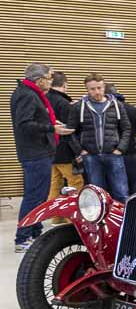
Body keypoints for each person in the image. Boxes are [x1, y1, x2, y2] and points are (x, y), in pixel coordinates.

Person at [11, 63, 73, 252]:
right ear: (39, 80)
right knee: (33, 196)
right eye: (49, 77)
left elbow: (33, 120)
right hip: (35, 153)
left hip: (40, 151)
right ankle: (22, 238)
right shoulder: (27, 95)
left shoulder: (29, 93)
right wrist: (51, 128)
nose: (51, 81)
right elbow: (25, 125)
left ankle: (35, 231)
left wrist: (52, 122)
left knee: (39, 195)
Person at [68, 73, 131, 202]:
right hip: (91, 156)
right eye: (92, 89)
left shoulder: (117, 105)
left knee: (121, 192)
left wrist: (120, 148)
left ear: (104, 87)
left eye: (99, 88)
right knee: (96, 194)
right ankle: (99, 221)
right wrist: (80, 151)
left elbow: (126, 128)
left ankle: (122, 220)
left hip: (114, 154)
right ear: (87, 89)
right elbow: (70, 131)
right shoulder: (78, 107)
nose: (97, 92)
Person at [46, 71, 83, 225]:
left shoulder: (44, 99)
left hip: (49, 150)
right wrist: (78, 151)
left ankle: (55, 217)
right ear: (64, 85)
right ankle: (74, 218)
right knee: (76, 183)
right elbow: (70, 131)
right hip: (64, 151)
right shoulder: (64, 104)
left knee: (55, 183)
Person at [105, 83, 136, 193]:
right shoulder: (132, 109)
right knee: (133, 180)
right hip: (130, 151)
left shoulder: (105, 110)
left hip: (111, 152)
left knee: (112, 181)